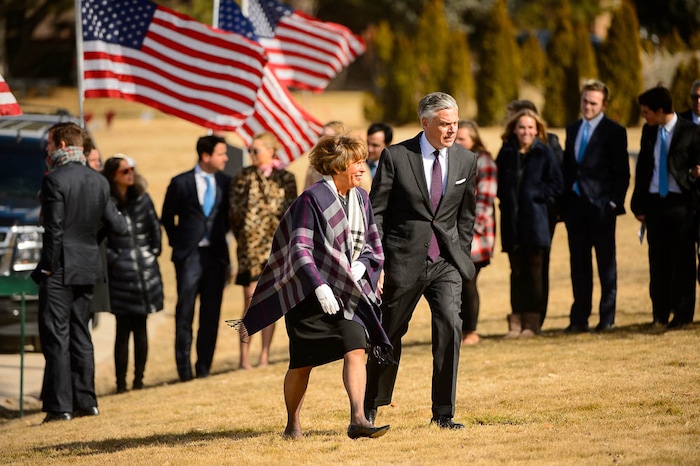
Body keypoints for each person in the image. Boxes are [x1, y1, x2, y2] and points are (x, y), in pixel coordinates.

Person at [236, 135, 391, 439]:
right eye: (355, 162)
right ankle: (292, 423)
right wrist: (319, 287)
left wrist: (363, 264)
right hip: (310, 296)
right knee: (302, 363)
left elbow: (374, 244)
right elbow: (300, 249)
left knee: (356, 346)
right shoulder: (312, 198)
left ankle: (358, 418)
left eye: (362, 161)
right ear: (336, 166)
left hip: (348, 293)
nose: (362, 168)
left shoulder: (361, 198)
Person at [365, 92, 477, 430]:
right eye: (444, 124)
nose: (451, 130)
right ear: (424, 122)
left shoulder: (466, 160)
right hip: (402, 261)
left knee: (450, 326)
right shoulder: (396, 157)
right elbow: (377, 213)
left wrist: (461, 254)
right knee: (389, 333)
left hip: (446, 263)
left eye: (455, 123)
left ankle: (444, 413)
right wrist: (378, 263)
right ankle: (370, 405)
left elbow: (466, 215)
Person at [31, 122, 126, 423]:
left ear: (61, 145)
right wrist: (90, 243)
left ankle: (60, 408)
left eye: (48, 144)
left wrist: (46, 266)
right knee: (81, 334)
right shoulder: (98, 180)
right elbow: (118, 226)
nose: (46, 149)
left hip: (59, 268)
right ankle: (87, 402)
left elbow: (54, 230)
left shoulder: (54, 178)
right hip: (86, 265)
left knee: (56, 338)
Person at [561, 80, 630, 333]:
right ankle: (579, 319)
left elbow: (622, 172)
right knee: (578, 266)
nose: (587, 106)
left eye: (593, 102)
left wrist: (613, 203)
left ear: (604, 105)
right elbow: (570, 167)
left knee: (606, 266)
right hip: (575, 210)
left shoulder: (614, 131)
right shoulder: (573, 128)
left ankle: (607, 318)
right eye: (584, 101)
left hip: (602, 209)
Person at [161, 135, 231, 381]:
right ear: (206, 156)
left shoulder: (226, 182)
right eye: (221, 153)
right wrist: (179, 245)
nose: (226, 158)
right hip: (189, 257)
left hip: (216, 258)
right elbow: (167, 218)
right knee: (185, 312)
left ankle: (204, 368)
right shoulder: (181, 183)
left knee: (210, 315)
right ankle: (184, 370)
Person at [631, 86, 700, 329]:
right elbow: (642, 170)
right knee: (657, 261)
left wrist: (694, 174)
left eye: (647, 112)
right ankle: (659, 315)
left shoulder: (691, 132)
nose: (644, 116)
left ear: (661, 111)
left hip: (680, 204)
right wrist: (637, 204)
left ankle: (682, 315)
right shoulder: (649, 132)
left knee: (682, 262)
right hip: (655, 204)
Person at [229, 132, 297, 370]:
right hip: (249, 250)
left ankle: (264, 356)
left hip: (276, 250)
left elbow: (291, 212)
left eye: (256, 150)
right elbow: (234, 213)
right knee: (250, 302)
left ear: (271, 151)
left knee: (270, 303)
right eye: (250, 150)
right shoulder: (243, 176)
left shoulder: (285, 178)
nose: (252, 155)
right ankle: (244, 357)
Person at [497, 109, 563, 339]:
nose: (526, 131)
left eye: (530, 127)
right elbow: (499, 183)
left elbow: (557, 183)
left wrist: (535, 195)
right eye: (521, 127)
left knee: (534, 274)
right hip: (512, 223)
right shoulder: (506, 153)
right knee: (516, 272)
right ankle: (516, 322)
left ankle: (532, 323)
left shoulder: (544, 153)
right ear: (514, 129)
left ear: (537, 130)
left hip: (536, 222)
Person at [103, 155, 164, 393]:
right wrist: (114, 259)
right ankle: (120, 383)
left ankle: (139, 380)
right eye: (124, 170)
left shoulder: (142, 197)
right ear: (113, 176)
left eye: (132, 169)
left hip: (144, 273)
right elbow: (102, 236)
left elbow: (154, 227)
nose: (130, 173)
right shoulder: (106, 202)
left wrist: (152, 252)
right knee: (122, 329)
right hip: (120, 275)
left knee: (141, 327)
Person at [455, 120, 497, 346]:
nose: (458, 142)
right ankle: (459, 330)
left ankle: (471, 331)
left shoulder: (484, 161)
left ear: (474, 139)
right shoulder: (454, 158)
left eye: (463, 139)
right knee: (456, 283)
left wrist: (465, 233)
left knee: (468, 280)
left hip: (476, 235)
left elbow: (484, 203)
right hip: (455, 234)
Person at [304, 121, 346, 189]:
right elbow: (306, 193)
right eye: (321, 136)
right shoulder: (314, 166)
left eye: (328, 137)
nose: (323, 140)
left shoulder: (352, 165)